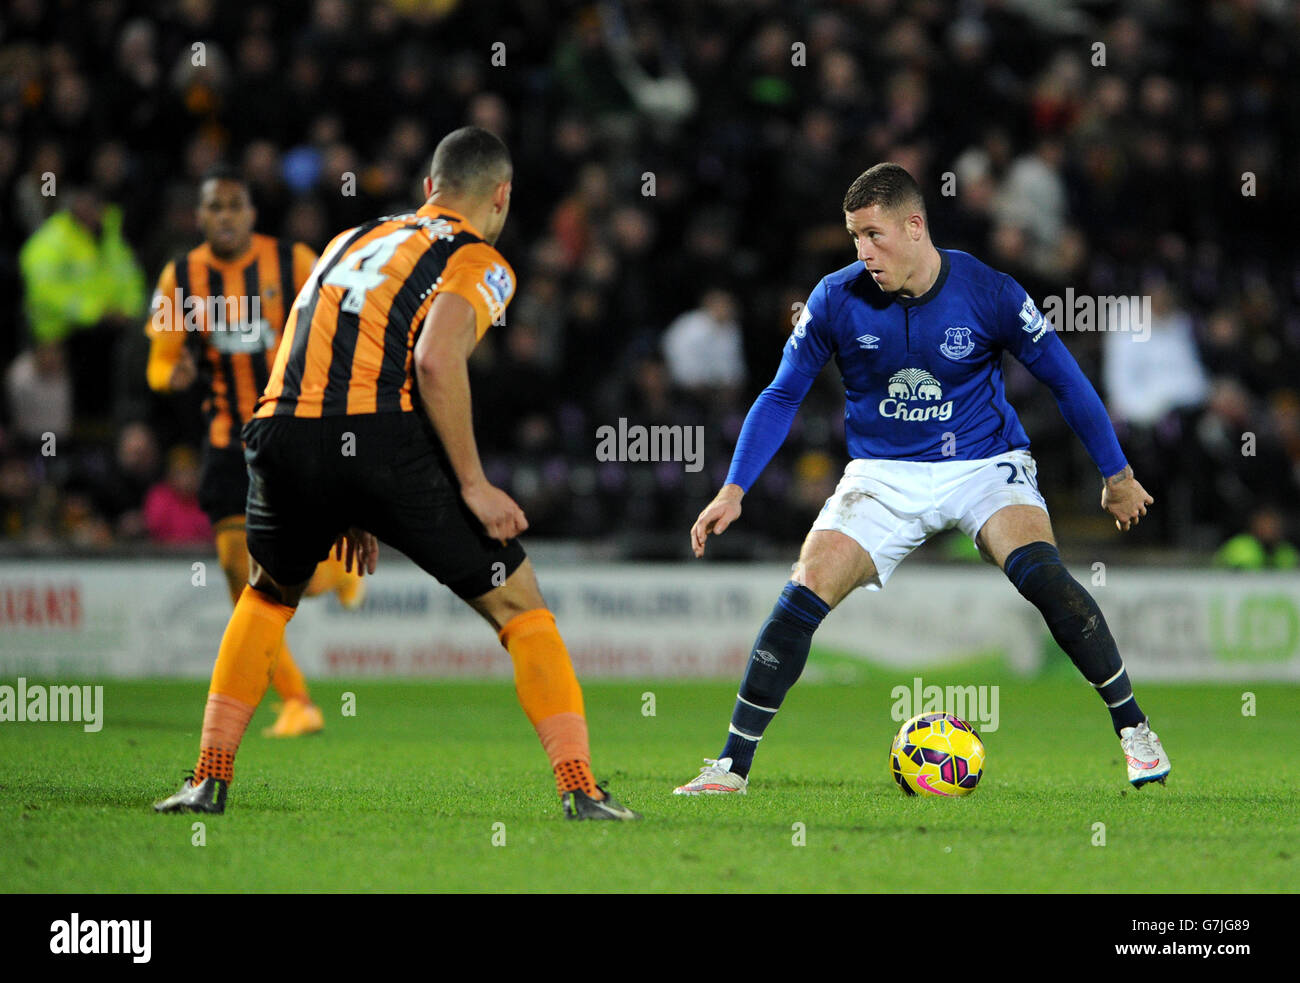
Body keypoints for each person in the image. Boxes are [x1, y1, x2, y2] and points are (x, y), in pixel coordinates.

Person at [155, 127, 638, 820]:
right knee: (520, 606)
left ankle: (206, 778)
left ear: (427, 189)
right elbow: (437, 360)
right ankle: (580, 787)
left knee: (266, 594)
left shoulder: (348, 238)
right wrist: (473, 484)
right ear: (501, 197)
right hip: (378, 432)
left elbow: (311, 342)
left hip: (280, 430)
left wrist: (340, 496)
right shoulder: (479, 257)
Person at [677, 162, 1171, 795]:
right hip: (883, 474)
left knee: (1045, 576)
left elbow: (1065, 379)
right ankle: (730, 766)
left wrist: (1118, 474)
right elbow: (780, 396)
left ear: (915, 226)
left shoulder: (989, 290)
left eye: (873, 235)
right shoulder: (834, 297)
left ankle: (1135, 732)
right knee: (802, 591)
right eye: (854, 236)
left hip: (983, 465)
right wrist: (733, 487)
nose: (863, 252)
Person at [145, 165, 361, 737]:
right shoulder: (183, 274)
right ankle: (298, 702)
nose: (225, 217)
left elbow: (342, 320)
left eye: (234, 206)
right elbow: (159, 362)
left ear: (251, 214)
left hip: (290, 433)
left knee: (288, 576)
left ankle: (336, 577)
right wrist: (174, 374)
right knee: (239, 575)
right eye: (214, 208)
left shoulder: (292, 261)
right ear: (199, 216)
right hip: (224, 441)